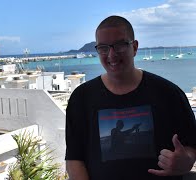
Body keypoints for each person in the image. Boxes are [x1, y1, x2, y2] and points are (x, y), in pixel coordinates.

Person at [65, 15, 196, 180]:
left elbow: (191, 146)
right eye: (104, 47)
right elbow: (74, 159)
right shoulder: (81, 98)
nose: (111, 55)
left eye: (120, 45)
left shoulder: (169, 93)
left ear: (134, 47)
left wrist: (186, 161)